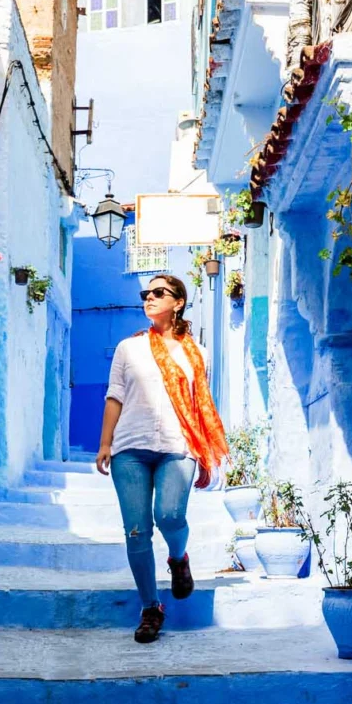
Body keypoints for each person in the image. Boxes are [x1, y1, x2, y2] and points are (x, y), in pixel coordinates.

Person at [95, 273, 229, 644]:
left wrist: (204, 450)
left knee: (170, 515)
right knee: (137, 532)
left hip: (178, 445)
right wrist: (105, 443)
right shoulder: (128, 348)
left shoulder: (197, 352)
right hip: (130, 448)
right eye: (146, 293)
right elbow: (114, 396)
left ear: (179, 302)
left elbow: (201, 404)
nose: (149, 298)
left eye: (158, 293)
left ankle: (178, 558)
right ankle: (151, 607)